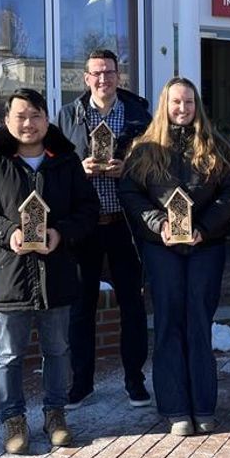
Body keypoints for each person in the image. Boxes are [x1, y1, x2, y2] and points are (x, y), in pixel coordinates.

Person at [0, 88, 100, 454]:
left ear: (46, 118)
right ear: (7, 120)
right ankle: (13, 419)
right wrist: (9, 233)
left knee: (57, 350)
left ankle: (55, 415)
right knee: (9, 355)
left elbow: (88, 211)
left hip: (57, 275)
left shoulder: (66, 162)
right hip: (11, 276)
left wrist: (60, 232)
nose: (28, 123)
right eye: (20, 116)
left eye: (35, 115)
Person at [118, 77, 230, 436]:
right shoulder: (145, 149)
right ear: (165, 105)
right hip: (163, 250)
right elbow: (130, 192)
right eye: (176, 102)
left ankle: (204, 405)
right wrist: (159, 224)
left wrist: (204, 225)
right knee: (169, 322)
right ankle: (175, 409)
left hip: (207, 247)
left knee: (199, 322)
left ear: (197, 105)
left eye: (188, 102)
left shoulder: (216, 146)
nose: (182, 109)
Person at [57, 49, 152, 409]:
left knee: (133, 305)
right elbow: (55, 169)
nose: (103, 79)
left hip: (125, 225)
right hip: (85, 229)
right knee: (81, 308)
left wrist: (127, 168)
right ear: (86, 78)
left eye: (109, 72)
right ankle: (81, 382)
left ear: (118, 76)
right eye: (96, 73)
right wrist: (76, 169)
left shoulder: (139, 115)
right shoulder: (69, 116)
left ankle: (134, 379)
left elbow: (156, 167)